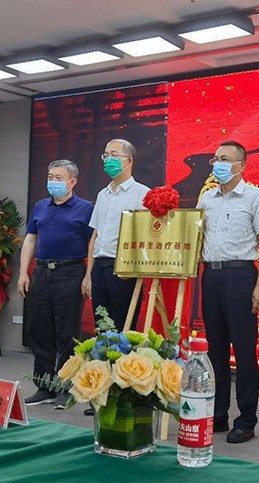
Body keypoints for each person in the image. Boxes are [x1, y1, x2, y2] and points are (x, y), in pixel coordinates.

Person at [197, 140, 259, 444]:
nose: (218, 164)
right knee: (215, 349)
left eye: (225, 159)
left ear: (241, 165)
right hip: (210, 276)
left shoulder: (256, 197)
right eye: (216, 159)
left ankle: (246, 420)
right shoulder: (206, 199)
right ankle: (218, 415)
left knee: (243, 351)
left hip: (241, 276)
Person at [80, 139, 149, 416]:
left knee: (123, 332)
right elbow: (95, 236)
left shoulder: (142, 194)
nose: (108, 159)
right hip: (100, 267)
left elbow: (148, 237)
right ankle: (102, 394)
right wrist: (88, 274)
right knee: (103, 333)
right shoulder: (103, 194)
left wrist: (136, 270)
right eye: (105, 154)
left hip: (125, 271)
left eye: (114, 154)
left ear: (129, 160)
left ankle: (124, 395)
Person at [18, 160, 94, 409]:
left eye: (58, 178)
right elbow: (30, 239)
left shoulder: (85, 208)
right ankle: (44, 386)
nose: (52, 182)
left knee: (67, 333)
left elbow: (93, 243)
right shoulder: (41, 206)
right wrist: (23, 273)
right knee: (39, 331)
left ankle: (66, 387)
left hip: (70, 273)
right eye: (50, 177)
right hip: (41, 272)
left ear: (72, 182)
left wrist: (88, 275)